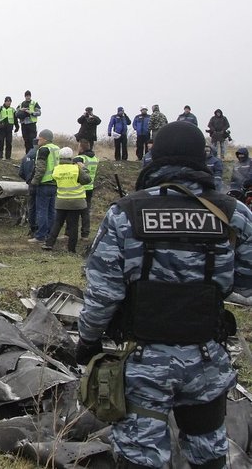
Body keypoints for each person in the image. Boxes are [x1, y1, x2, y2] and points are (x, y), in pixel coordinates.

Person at [77, 121, 252, 469]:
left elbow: (103, 292)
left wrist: (88, 341)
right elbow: (246, 284)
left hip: (144, 362)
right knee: (208, 450)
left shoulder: (124, 213)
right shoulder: (235, 214)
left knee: (140, 456)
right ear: (201, 158)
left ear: (154, 157)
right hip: (206, 358)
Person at [41, 147, 90, 253]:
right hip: (76, 201)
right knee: (73, 225)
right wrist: (84, 168)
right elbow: (87, 180)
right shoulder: (76, 169)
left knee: (57, 222)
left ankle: (49, 243)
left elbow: (55, 180)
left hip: (61, 200)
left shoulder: (56, 169)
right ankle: (71, 249)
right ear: (71, 157)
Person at [27, 129, 59, 244]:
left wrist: (34, 183)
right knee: (51, 211)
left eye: (39, 138)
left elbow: (40, 169)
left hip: (44, 183)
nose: (38, 140)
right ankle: (50, 234)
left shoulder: (44, 150)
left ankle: (40, 236)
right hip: (54, 183)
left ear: (45, 139)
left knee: (42, 211)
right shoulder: (56, 149)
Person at [75, 138, 99, 240]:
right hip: (90, 187)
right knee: (86, 212)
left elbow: (74, 161)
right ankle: (85, 234)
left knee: (75, 212)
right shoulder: (95, 158)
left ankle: (70, 233)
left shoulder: (81, 158)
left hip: (80, 188)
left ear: (81, 147)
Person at [19, 145, 39, 237]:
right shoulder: (42, 156)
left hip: (30, 185)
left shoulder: (25, 157)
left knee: (31, 207)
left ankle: (32, 228)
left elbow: (21, 173)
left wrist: (28, 180)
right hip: (41, 185)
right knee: (41, 208)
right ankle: (40, 230)